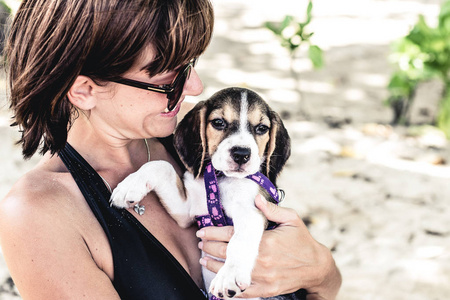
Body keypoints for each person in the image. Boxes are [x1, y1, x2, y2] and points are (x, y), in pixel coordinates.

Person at [0, 0, 341, 299]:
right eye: (168, 79)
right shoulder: (38, 213)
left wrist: (320, 270)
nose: (196, 87)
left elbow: (323, 289)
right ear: (86, 90)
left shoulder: (194, 145)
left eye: (190, 64)